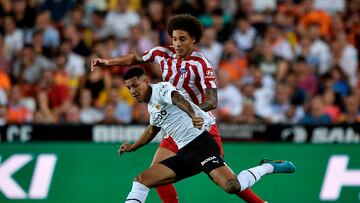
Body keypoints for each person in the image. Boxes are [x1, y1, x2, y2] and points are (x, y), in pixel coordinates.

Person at [91, 14, 266, 203]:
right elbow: (135, 58)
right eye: (174, 39)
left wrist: (190, 112)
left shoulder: (201, 64)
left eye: (182, 39)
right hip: (174, 130)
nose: (177, 44)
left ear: (194, 40)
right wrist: (108, 62)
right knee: (155, 176)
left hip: (200, 127)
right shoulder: (162, 54)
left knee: (224, 180)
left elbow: (212, 100)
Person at [119, 67, 296, 203]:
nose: (133, 91)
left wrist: (193, 114)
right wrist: (132, 147)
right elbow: (152, 129)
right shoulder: (152, 107)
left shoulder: (161, 89)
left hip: (203, 146)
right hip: (185, 154)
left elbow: (178, 99)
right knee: (141, 180)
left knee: (232, 186)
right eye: (129, 88)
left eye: (135, 85)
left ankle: (268, 166)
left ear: (146, 81)